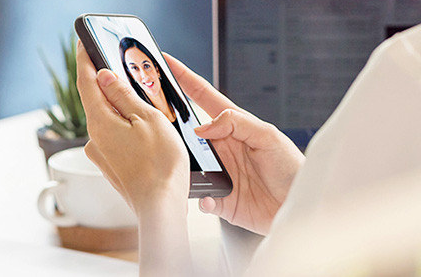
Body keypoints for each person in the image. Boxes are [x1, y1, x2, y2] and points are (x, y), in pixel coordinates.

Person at [76, 23, 421, 276]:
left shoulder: (405, 66)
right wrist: (301, 202)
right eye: (132, 68)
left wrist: (158, 201)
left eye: (146, 65)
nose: (143, 75)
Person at [119, 36, 213, 172]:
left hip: (208, 187)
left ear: (157, 70)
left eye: (146, 66)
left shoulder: (186, 109)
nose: (144, 75)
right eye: (135, 68)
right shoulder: (141, 123)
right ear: (130, 74)